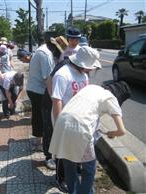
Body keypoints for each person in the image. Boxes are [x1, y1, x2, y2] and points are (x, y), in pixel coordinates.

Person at [49, 81, 131, 194]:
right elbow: (121, 130)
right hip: (80, 129)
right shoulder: (111, 98)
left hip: (62, 122)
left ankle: (74, 191)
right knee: (89, 169)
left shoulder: (92, 87)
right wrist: (111, 133)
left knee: (69, 166)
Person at [50, 46, 102, 192]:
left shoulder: (84, 76)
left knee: (88, 167)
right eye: (90, 67)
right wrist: (59, 128)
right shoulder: (63, 74)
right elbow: (56, 100)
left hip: (83, 126)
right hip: (67, 126)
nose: (91, 70)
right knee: (70, 165)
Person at [26, 35, 62, 152]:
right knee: (41, 116)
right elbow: (48, 78)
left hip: (35, 88)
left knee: (38, 115)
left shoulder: (43, 50)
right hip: (38, 90)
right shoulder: (46, 54)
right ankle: (38, 143)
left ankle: (38, 140)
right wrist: (53, 97)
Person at [42, 36, 69, 171]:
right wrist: (55, 99)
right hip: (51, 99)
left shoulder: (62, 59)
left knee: (51, 128)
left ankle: (53, 155)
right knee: (49, 128)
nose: (50, 49)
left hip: (53, 98)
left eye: (52, 47)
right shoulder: (60, 62)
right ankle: (49, 157)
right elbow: (48, 80)